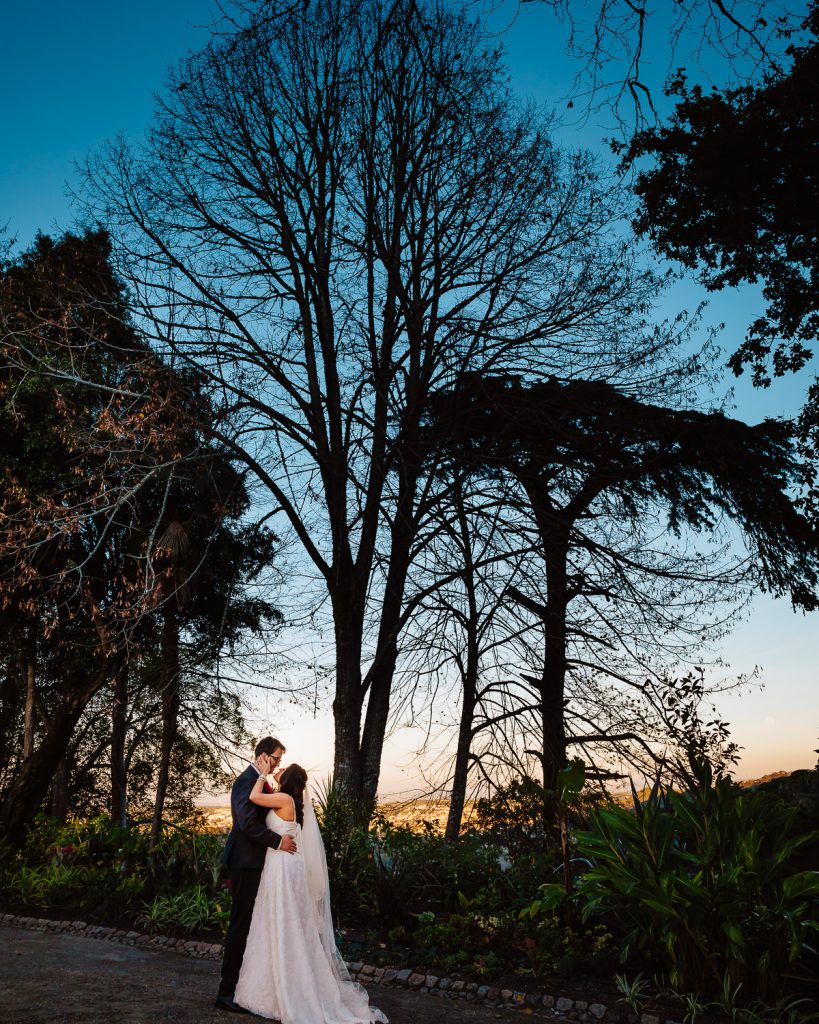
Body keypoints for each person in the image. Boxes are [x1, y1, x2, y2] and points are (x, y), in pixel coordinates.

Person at [233, 763, 387, 1024]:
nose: (277, 769)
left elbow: (254, 797)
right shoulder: (289, 800)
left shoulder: (283, 798)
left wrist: (261, 772)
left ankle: (290, 987)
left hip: (282, 866)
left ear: (288, 778)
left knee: (284, 922)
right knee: (285, 923)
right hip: (282, 864)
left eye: (282, 768)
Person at [215, 737, 298, 1015]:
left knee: (250, 926)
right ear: (263, 756)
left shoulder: (261, 781)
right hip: (244, 863)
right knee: (240, 925)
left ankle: (243, 989)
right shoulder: (246, 780)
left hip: (255, 863)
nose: (277, 764)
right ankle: (226, 993)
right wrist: (278, 842)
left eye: (279, 761)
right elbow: (248, 823)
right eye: (275, 759)